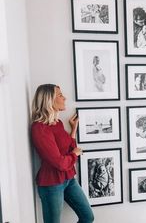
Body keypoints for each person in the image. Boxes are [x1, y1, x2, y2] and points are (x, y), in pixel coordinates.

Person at [31, 84, 94, 223]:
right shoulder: (39, 128)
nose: (64, 98)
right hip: (51, 183)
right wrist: (75, 155)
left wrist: (73, 130)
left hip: (69, 179)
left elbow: (69, 149)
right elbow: (59, 162)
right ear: (49, 100)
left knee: (87, 217)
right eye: (60, 95)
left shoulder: (57, 123)